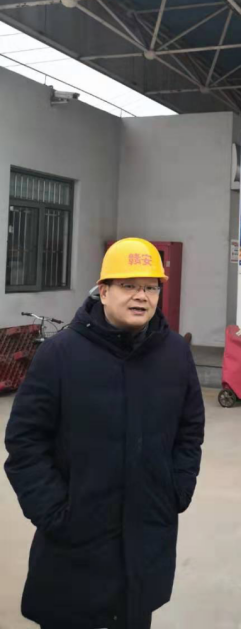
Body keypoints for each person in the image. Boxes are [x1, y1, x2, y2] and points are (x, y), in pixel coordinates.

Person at [4, 237, 205, 629]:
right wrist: (54, 511)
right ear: (104, 290)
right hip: (74, 544)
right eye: (128, 285)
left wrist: (177, 489)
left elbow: (189, 429)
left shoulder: (174, 354)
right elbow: (25, 442)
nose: (141, 296)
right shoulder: (60, 354)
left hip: (146, 535)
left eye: (150, 287)